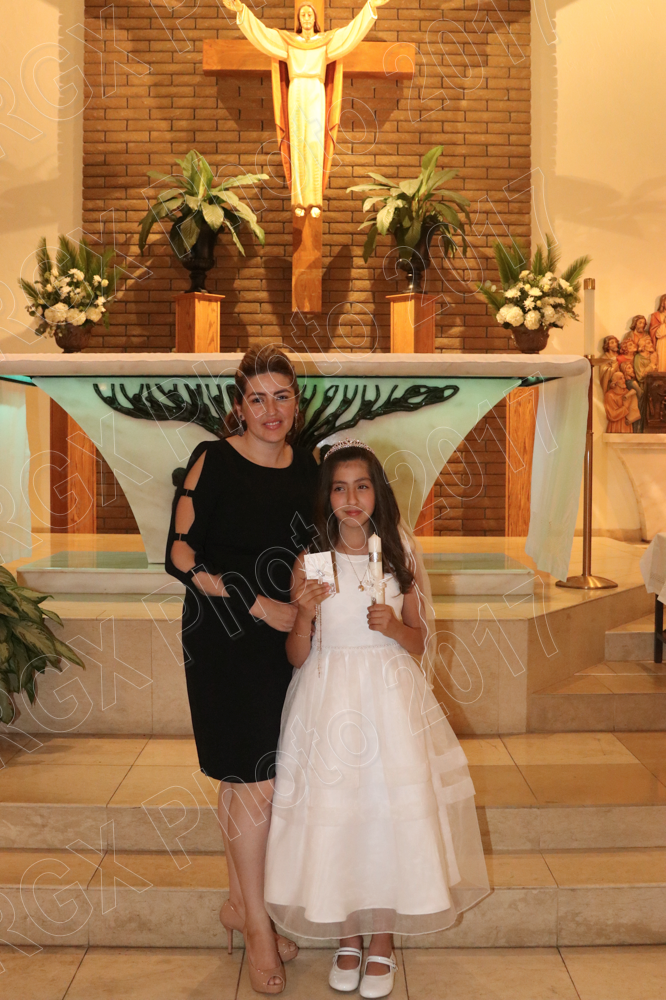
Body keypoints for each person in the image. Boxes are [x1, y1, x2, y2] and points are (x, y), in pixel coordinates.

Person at [264, 440, 489, 998]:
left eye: (361, 486)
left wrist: (394, 626)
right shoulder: (312, 562)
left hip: (388, 701)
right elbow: (297, 655)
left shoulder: (398, 554)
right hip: (328, 700)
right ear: (327, 498)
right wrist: (304, 614)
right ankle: (347, 934)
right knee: (341, 813)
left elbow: (420, 641)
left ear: (377, 493)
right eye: (339, 488)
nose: (351, 498)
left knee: (386, 814)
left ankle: (382, 939)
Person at [165, 345, 318, 995]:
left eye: (281, 396)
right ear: (239, 405)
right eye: (258, 398)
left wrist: (308, 609)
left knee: (249, 778)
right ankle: (257, 925)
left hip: (284, 638)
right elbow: (179, 555)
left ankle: (237, 903)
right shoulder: (214, 459)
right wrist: (256, 603)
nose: (270, 410)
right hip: (222, 635)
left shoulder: (307, 466)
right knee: (256, 781)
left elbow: (309, 551)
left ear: (295, 403)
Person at [222, 0, 389, 214]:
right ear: (299, 20)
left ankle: (315, 201)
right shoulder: (288, 42)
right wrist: (242, 11)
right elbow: (263, 35)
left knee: (314, 142)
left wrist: (370, 7)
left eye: (310, 14)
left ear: (315, 19)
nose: (307, 18)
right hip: (297, 90)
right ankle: (299, 202)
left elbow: (350, 34)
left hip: (316, 91)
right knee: (298, 143)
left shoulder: (325, 42)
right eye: (303, 15)